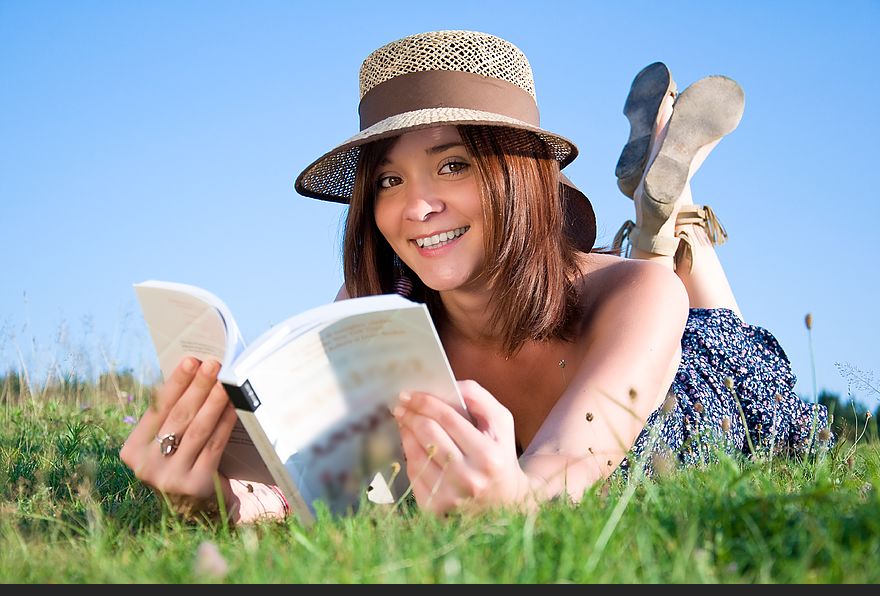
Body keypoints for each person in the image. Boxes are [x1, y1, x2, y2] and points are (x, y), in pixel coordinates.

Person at [120, 30, 830, 522]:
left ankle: (672, 224)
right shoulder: (369, 318)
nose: (416, 207)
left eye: (452, 164)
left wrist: (513, 501)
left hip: (699, 383)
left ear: (516, 176)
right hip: (615, 323)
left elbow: (554, 480)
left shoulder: (639, 296)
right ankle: (655, 215)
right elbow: (323, 496)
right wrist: (216, 496)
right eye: (390, 179)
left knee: (710, 319)